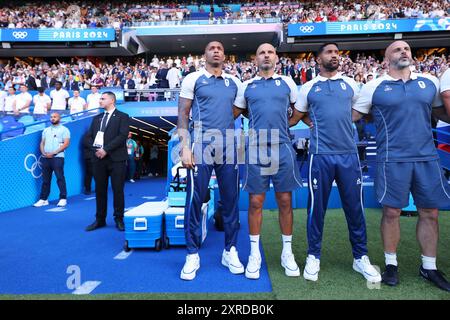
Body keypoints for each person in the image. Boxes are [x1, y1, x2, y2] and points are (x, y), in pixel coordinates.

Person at [353, 40, 450, 291]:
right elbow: (353, 115)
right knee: (391, 213)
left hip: (427, 157)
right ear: (386, 59)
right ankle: (391, 265)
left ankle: (428, 267)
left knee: (430, 213)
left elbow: (442, 113)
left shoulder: (430, 82)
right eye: (397, 49)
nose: (404, 51)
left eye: (406, 48)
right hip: (391, 158)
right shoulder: (373, 86)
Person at [289, 42, 381, 283]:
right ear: (318, 59)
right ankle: (313, 256)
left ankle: (360, 257)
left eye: (337, 53)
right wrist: (313, 123)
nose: (334, 56)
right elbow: (297, 115)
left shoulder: (351, 84)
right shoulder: (308, 88)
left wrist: (341, 119)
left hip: (349, 155)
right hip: (320, 156)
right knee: (315, 209)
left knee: (355, 208)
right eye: (329, 52)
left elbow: (360, 111)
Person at [233, 43, 302, 280]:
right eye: (261, 52)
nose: (266, 55)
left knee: (285, 200)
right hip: (256, 147)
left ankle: (287, 252)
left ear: (276, 58)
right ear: (255, 59)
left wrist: (286, 125)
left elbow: (297, 110)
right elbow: (240, 111)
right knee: (255, 201)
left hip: (282, 147)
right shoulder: (246, 86)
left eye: (270, 52)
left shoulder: (288, 83)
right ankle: (254, 254)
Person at [178, 41, 244, 280]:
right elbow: (183, 114)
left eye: (220, 48)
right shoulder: (193, 79)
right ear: (204, 54)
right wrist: (185, 146)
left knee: (231, 200)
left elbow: (235, 112)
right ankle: (192, 254)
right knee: (195, 199)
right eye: (212, 48)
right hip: (200, 144)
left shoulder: (234, 82)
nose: (216, 50)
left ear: (225, 55)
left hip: (228, 144)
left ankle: (230, 250)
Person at [85, 92, 129, 232]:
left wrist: (106, 150)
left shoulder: (123, 117)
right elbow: (89, 137)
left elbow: (122, 136)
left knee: (117, 190)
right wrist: (97, 150)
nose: (100, 101)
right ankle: (100, 219)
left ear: (112, 100)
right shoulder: (97, 118)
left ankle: (119, 218)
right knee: (100, 190)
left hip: (116, 159)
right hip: (98, 159)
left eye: (103, 99)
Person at [33, 112, 70, 208]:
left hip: (58, 157)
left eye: (55, 117)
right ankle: (43, 199)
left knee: (60, 178)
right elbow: (42, 143)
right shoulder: (46, 130)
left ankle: (63, 198)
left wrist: (53, 153)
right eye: (51, 117)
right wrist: (43, 153)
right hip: (46, 158)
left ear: (59, 118)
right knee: (45, 180)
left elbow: (66, 144)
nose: (52, 118)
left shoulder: (64, 130)